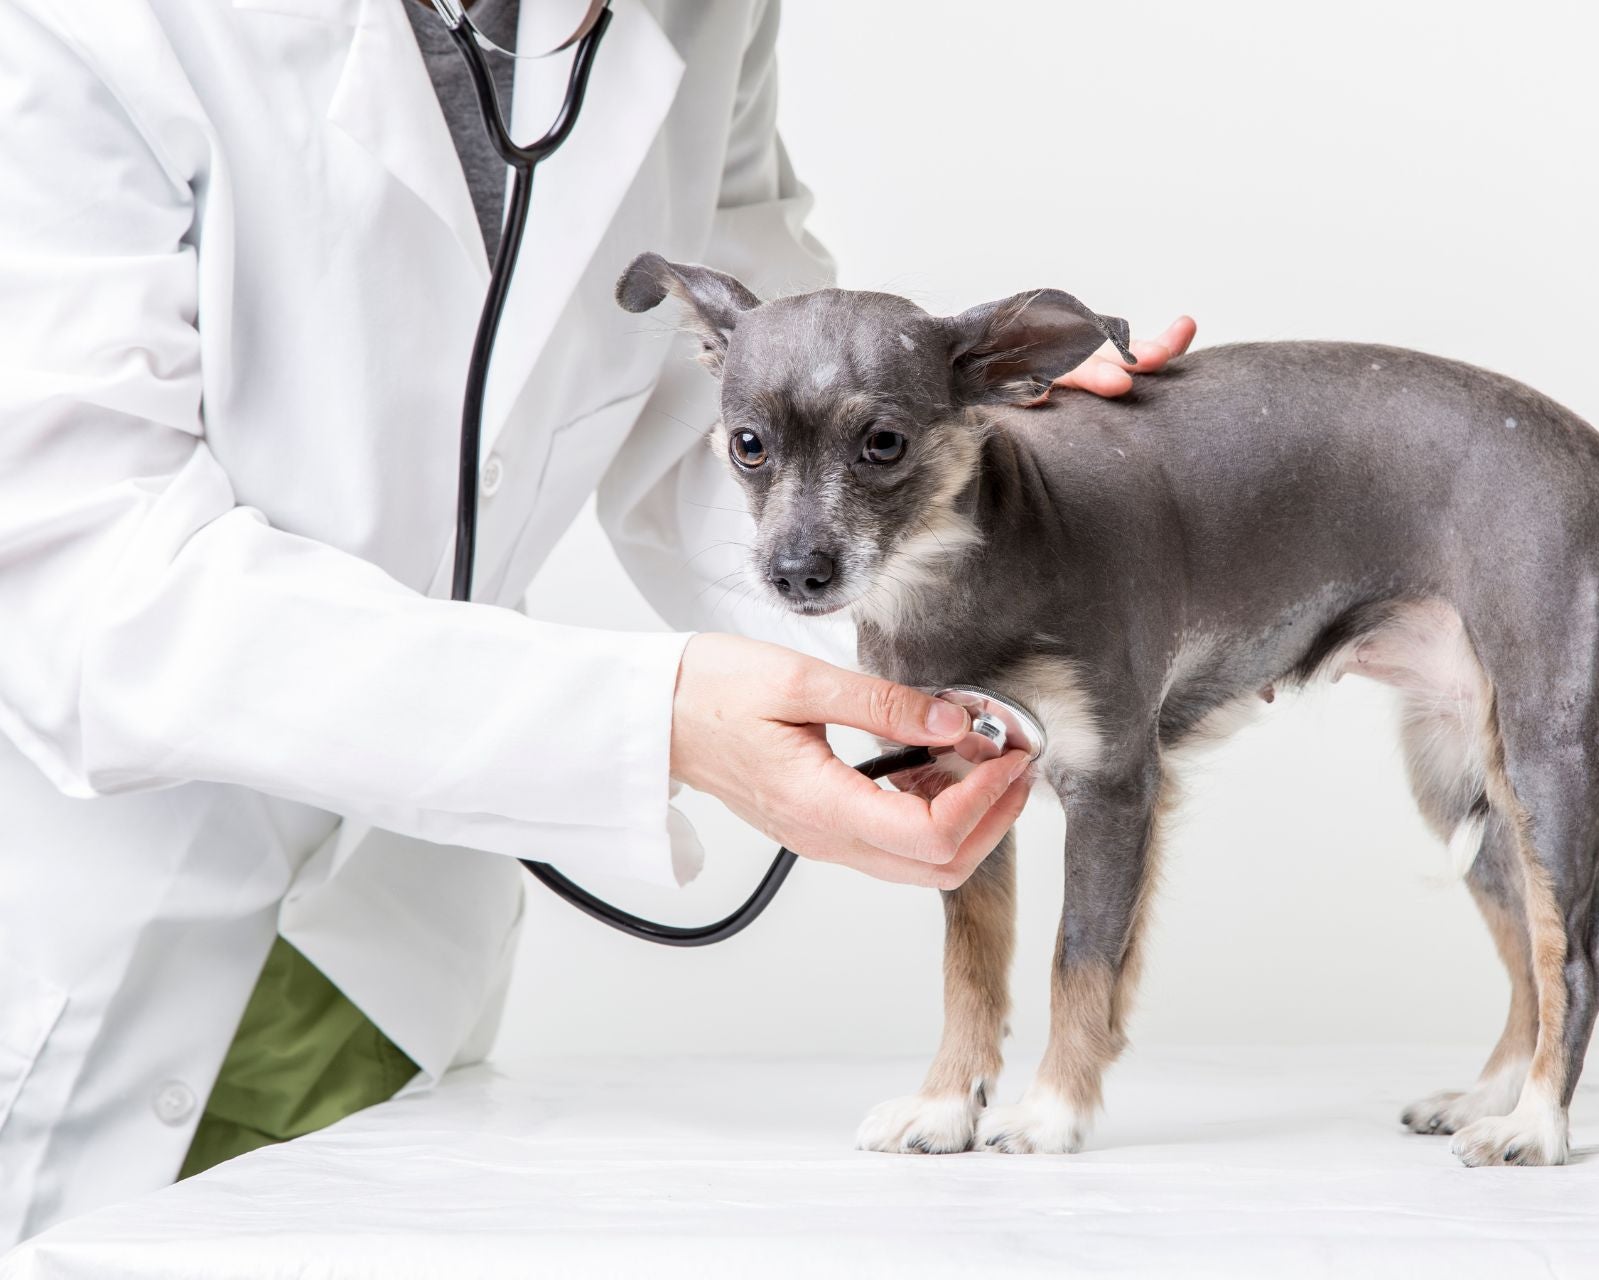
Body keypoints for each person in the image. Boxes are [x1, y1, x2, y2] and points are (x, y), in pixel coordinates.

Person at [0, 0, 1194, 1246]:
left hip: (390, 948)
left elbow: (729, 411)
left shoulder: (706, 15)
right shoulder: (87, 25)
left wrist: (1011, 526)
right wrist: (654, 719)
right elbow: (84, 579)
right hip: (105, 925)